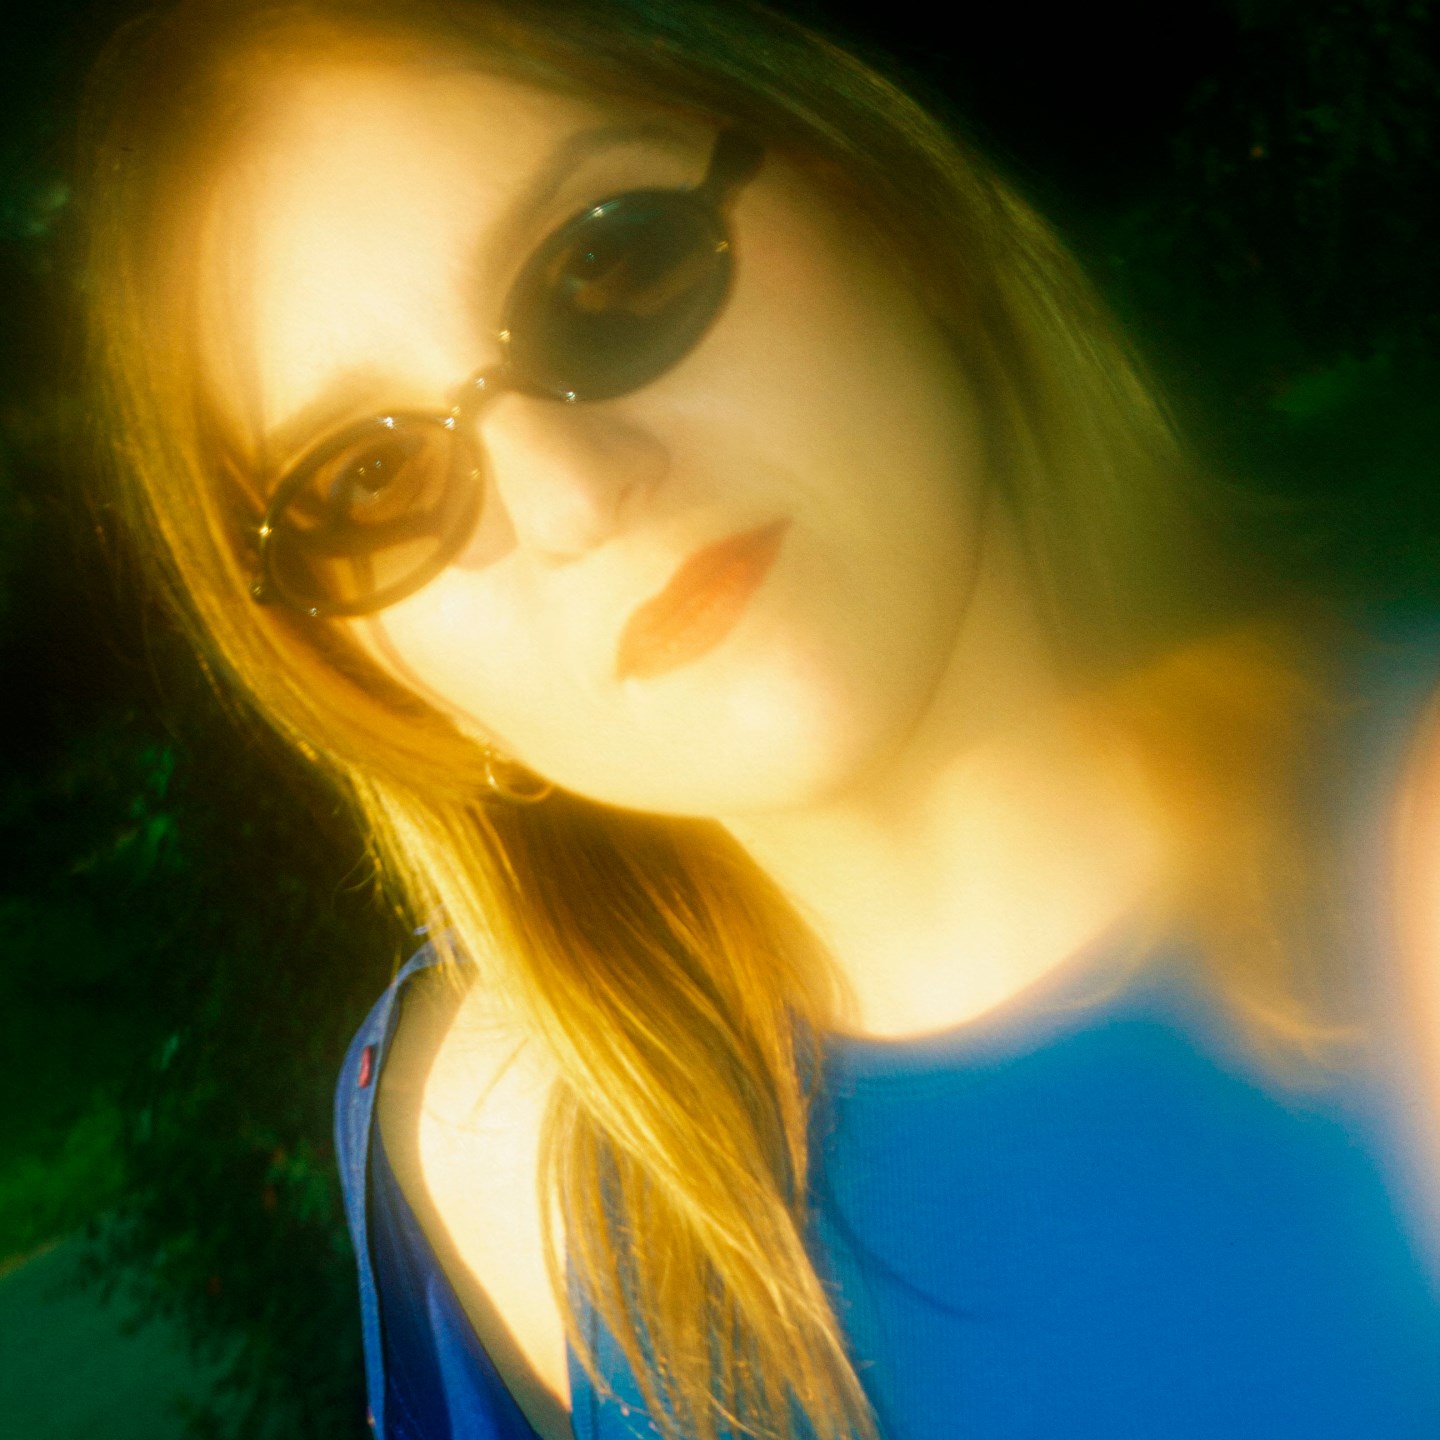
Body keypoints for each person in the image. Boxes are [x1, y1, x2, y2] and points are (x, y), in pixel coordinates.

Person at [78, 1, 1440, 1436]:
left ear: (881, 200)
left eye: (607, 266)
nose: (570, 494)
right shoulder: (494, 1162)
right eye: (370, 483)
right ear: (366, 671)